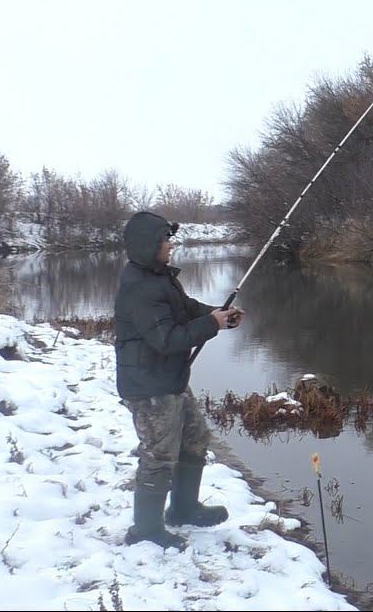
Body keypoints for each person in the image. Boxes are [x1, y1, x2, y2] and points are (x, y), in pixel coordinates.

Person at [113, 211, 245, 549]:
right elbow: (167, 339)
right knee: (159, 456)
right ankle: (146, 530)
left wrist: (217, 314)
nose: (171, 245)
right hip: (149, 386)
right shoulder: (141, 287)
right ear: (149, 245)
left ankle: (184, 509)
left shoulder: (158, 277)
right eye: (165, 240)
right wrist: (211, 325)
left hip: (167, 378)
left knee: (195, 438)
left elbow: (184, 308)